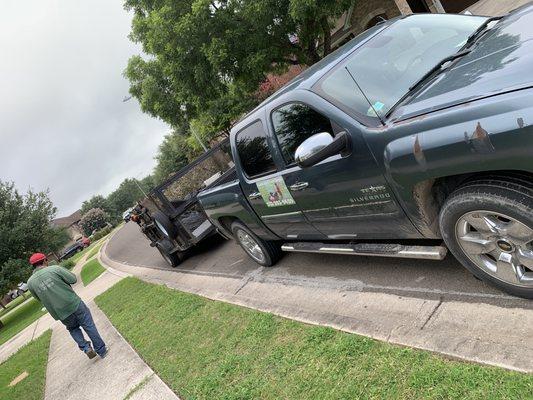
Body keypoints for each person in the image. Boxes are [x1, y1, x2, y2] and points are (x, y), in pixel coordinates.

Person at [26, 253, 108, 359]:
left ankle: (86, 348)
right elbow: (73, 279)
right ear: (45, 260)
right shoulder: (54, 269)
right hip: (74, 303)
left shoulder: (30, 283)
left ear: (33, 266)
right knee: (88, 325)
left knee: (73, 329)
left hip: (60, 312)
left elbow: (38, 298)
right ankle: (101, 350)